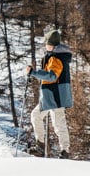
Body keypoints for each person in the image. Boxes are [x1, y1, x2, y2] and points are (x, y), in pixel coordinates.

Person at [26, 29, 73, 158]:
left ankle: (62, 150)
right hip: (51, 95)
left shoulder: (55, 57)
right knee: (39, 117)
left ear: (51, 44)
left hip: (55, 95)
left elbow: (52, 76)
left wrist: (33, 73)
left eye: (46, 43)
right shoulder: (55, 56)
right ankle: (50, 148)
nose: (45, 45)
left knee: (56, 123)